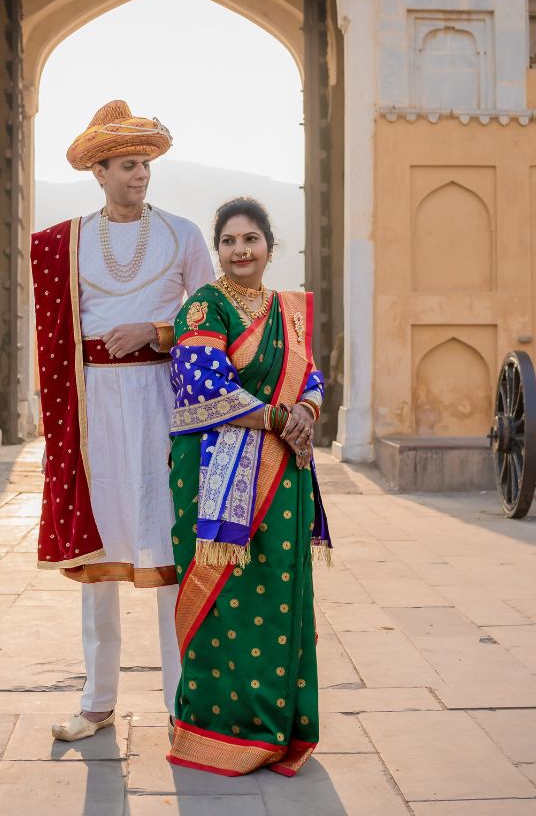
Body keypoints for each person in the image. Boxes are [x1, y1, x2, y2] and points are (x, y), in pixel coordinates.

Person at [31, 100, 213, 742]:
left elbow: (214, 318)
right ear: (100, 172)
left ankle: (181, 704)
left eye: (145, 164)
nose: (140, 175)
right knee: (97, 552)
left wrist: (158, 330)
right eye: (128, 165)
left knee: (168, 550)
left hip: (165, 401)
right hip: (95, 411)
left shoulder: (184, 234)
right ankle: (96, 701)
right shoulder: (68, 241)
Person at [165, 196, 332, 777]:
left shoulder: (286, 310)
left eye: (251, 240)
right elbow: (203, 382)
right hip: (216, 474)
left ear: (269, 246)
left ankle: (276, 727)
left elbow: (311, 372)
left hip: (282, 475)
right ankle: (212, 731)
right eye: (230, 241)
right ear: (218, 250)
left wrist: (307, 407)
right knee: (221, 603)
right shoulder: (203, 309)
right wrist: (280, 419)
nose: (241, 250)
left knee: (277, 594)